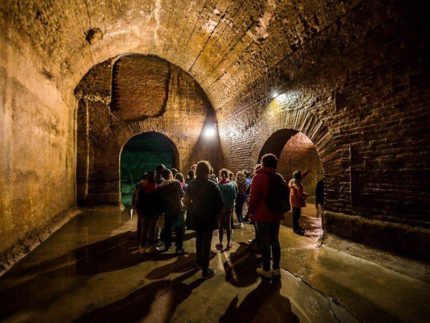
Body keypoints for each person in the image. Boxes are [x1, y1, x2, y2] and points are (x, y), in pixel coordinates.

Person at [184, 161, 223, 278]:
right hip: (208, 217)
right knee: (206, 244)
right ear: (208, 170)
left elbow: (186, 201)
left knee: (198, 240)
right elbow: (220, 204)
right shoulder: (212, 185)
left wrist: (191, 210)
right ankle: (205, 271)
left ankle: (198, 262)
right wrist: (215, 214)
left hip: (196, 216)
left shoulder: (191, 184)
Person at [248, 154, 285, 278]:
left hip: (262, 214)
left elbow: (253, 198)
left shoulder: (258, 177)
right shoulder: (279, 177)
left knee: (264, 242)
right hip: (276, 214)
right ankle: (276, 268)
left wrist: (250, 211)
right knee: (275, 241)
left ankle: (266, 269)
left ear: (263, 163)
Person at [158, 169, 185, 255]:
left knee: (167, 228)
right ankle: (179, 248)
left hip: (168, 210)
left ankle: (167, 245)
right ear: (170, 174)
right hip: (177, 209)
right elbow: (182, 194)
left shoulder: (160, 187)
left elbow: (160, 200)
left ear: (163, 176)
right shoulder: (176, 183)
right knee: (178, 229)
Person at [137, 171, 161, 254]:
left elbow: (139, 201)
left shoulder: (142, 188)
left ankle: (142, 247)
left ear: (147, 178)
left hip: (144, 212)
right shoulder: (156, 188)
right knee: (151, 230)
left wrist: (140, 211)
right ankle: (150, 247)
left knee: (143, 230)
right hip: (153, 212)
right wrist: (159, 212)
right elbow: (159, 202)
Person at [216, 169, 237, 250]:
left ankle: (220, 243)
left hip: (221, 208)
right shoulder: (231, 185)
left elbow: (216, 197)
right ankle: (228, 243)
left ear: (221, 175)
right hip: (229, 208)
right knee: (228, 225)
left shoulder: (218, 185)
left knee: (221, 225)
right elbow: (234, 196)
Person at [289, 169, 310, 235]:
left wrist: (307, 172)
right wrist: (306, 195)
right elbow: (300, 195)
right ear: (299, 177)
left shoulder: (292, 181)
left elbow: (301, 177)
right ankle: (296, 229)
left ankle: (296, 227)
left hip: (292, 201)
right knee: (297, 216)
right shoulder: (298, 185)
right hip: (297, 202)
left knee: (294, 215)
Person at [133, 173, 147, 241]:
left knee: (139, 219)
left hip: (138, 203)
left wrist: (133, 204)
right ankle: (143, 235)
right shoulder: (145, 184)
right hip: (143, 204)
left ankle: (139, 234)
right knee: (144, 219)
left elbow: (134, 194)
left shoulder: (138, 184)